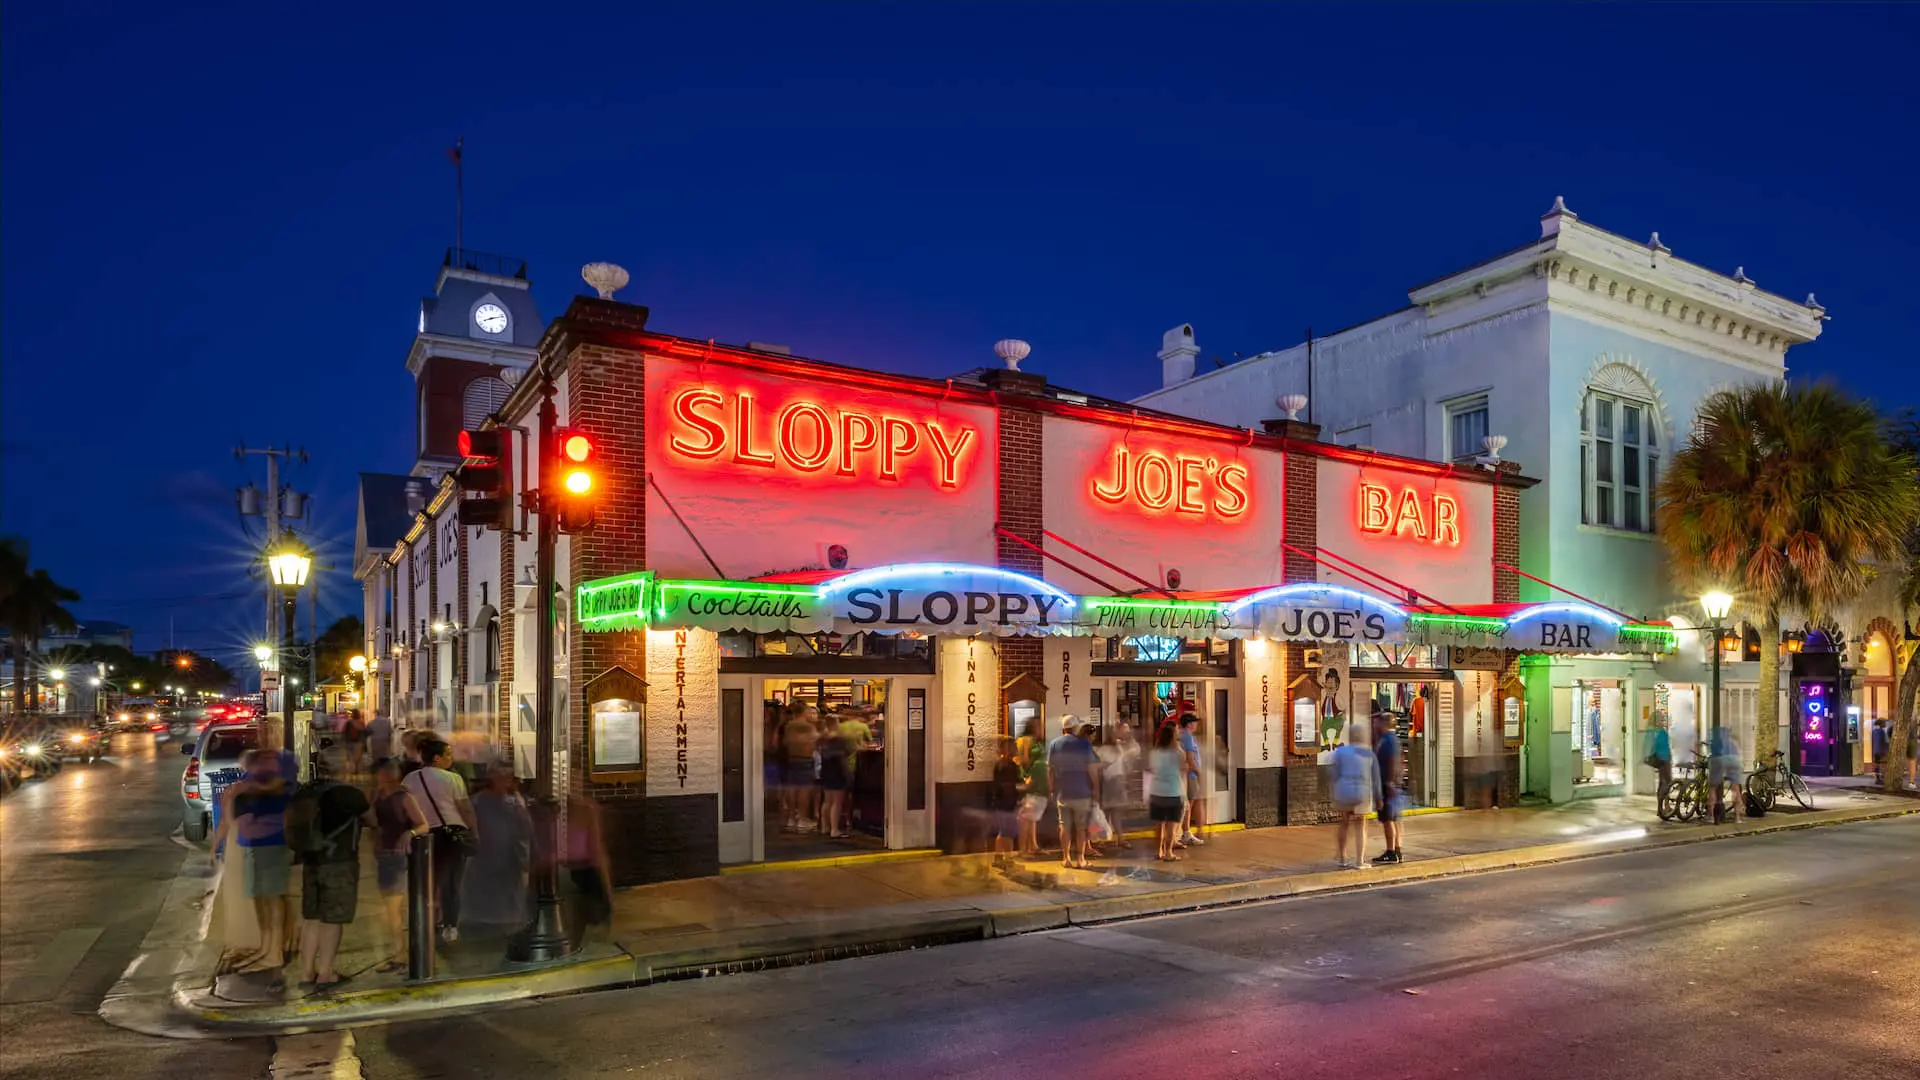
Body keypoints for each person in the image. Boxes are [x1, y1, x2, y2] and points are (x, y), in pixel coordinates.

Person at [290, 747, 371, 992]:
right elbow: (373, 819)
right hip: (339, 862)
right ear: (344, 767)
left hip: (311, 861)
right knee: (333, 919)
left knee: (311, 918)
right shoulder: (350, 794)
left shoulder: (306, 790)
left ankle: (306, 973)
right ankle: (326, 972)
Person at [212, 748, 295, 974]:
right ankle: (267, 947)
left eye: (269, 760)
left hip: (271, 845)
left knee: (273, 898)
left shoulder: (277, 782)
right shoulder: (253, 785)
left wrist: (247, 789)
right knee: (261, 899)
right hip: (253, 845)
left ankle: (274, 952)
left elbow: (279, 790)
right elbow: (231, 819)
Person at [403, 738, 477, 943]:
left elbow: (404, 808)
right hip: (451, 834)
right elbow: (465, 808)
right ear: (436, 758)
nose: (451, 758)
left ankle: (424, 921)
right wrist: (474, 830)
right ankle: (449, 925)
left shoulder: (409, 779)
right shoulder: (452, 779)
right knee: (451, 883)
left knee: (425, 880)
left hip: (423, 835)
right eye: (448, 755)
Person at [371, 757, 428, 973]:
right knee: (389, 911)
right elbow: (374, 822)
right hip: (384, 855)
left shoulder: (403, 797)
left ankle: (400, 955)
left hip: (397, 857)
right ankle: (398, 954)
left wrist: (409, 832)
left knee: (391, 911)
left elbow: (423, 824)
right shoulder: (379, 794)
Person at [463, 762, 533, 933]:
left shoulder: (514, 802)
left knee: (508, 891)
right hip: (484, 856)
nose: (507, 781)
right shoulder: (477, 801)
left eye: (509, 777)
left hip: (508, 855)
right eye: (503, 777)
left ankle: (507, 924)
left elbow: (526, 827)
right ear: (492, 778)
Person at [1048, 718, 1100, 870]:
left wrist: (1051, 788)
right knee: (1081, 828)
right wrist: (1096, 787)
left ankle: (1066, 858)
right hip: (1082, 792)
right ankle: (1080, 859)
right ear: (1075, 727)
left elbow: (1050, 769)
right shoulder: (1083, 744)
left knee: (1064, 826)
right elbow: (1091, 768)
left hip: (1062, 792)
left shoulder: (1055, 744)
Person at [1329, 722, 1381, 869]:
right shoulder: (1369, 754)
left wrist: (1333, 791)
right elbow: (1375, 778)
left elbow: (1334, 774)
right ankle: (1360, 861)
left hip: (1343, 791)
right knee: (1361, 826)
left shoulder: (1341, 752)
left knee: (1344, 824)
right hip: (1361, 792)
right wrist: (1379, 798)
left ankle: (1342, 857)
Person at [565, 792, 615, 940]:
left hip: (573, 870)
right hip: (586, 871)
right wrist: (608, 890)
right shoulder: (587, 811)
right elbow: (597, 851)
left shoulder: (578, 811)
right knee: (586, 919)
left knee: (576, 918)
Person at [1098, 720, 1141, 852]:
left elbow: (1136, 750)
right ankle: (1100, 838)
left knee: (1114, 813)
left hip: (1117, 781)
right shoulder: (1104, 750)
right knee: (1103, 813)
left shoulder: (1119, 747)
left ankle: (1117, 838)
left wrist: (1128, 737)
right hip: (1107, 782)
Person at [1147, 723, 1187, 861]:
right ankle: (1168, 853)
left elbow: (1151, 769)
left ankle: (1159, 851)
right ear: (1173, 737)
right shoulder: (1178, 752)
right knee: (1171, 825)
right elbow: (1183, 767)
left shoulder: (1154, 752)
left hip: (1156, 791)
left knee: (1159, 825)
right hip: (1173, 792)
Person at [778, 704, 821, 833]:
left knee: (792, 788)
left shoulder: (789, 725)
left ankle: (791, 818)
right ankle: (802, 819)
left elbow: (786, 741)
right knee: (804, 790)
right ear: (804, 712)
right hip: (805, 759)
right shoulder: (808, 726)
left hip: (792, 758)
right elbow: (814, 741)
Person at [1370, 712, 1406, 864]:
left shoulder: (1387, 741)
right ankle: (1397, 850)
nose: (1374, 724)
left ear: (1383, 724)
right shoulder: (1392, 739)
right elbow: (1401, 761)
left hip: (1388, 784)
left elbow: (1391, 760)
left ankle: (1391, 851)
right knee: (1395, 818)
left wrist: (1390, 782)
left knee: (1388, 819)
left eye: (1377, 722)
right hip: (1393, 784)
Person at [1014, 719, 1050, 858]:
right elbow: (1022, 759)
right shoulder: (1025, 740)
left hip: (1040, 781)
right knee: (1027, 817)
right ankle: (1023, 849)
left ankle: (1033, 845)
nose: (1041, 728)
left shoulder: (1039, 742)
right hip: (1031, 780)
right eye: (1038, 726)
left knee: (1033, 817)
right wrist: (1028, 775)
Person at [817, 717, 851, 839]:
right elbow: (843, 758)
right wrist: (847, 773)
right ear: (836, 724)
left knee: (827, 801)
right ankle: (834, 829)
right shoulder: (840, 739)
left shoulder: (822, 738)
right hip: (837, 770)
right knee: (837, 802)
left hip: (826, 770)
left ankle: (824, 826)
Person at [1177, 710, 1206, 847]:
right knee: (1189, 804)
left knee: (1188, 804)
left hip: (1189, 774)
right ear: (1189, 724)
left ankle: (1184, 832)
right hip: (1190, 775)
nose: (1196, 725)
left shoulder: (1183, 735)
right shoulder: (1187, 737)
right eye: (1195, 722)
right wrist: (1198, 772)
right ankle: (1186, 833)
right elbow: (1190, 757)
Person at [1707, 723, 1742, 824]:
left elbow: (1712, 753)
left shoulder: (1715, 740)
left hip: (1718, 759)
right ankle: (1737, 817)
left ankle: (1711, 816)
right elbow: (1738, 752)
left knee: (1712, 788)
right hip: (1734, 760)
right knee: (1736, 789)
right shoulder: (1731, 741)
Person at [1646, 712, 1674, 805]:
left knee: (1663, 783)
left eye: (1663, 720)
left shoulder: (1654, 731)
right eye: (1661, 720)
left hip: (1663, 759)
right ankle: (1664, 806)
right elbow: (1661, 746)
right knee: (1666, 783)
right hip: (1664, 759)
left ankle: (1662, 806)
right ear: (1656, 721)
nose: (1663, 722)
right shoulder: (1658, 732)